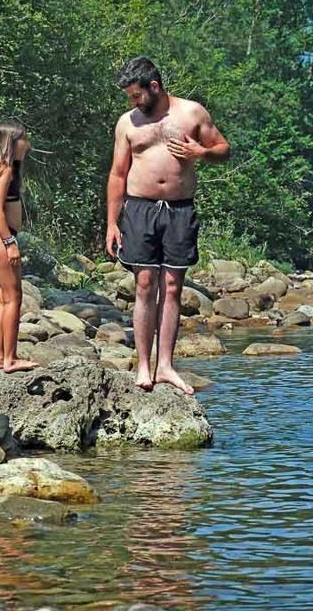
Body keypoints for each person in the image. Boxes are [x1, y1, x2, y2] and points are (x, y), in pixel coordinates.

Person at [105, 57, 230, 394]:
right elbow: (117, 174)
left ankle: (167, 366)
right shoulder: (127, 123)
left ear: (154, 87)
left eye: (136, 96)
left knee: (173, 287)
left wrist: (200, 152)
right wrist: (111, 224)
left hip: (178, 209)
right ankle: (143, 366)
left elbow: (224, 149)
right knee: (145, 284)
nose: (133, 102)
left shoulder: (191, 113)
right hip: (139, 208)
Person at [0, 119, 38, 374]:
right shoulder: (6, 171)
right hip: (0, 237)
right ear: (12, 143)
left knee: (2, 300)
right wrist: (10, 242)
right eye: (23, 139)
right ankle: (10, 359)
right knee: (14, 299)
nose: (28, 143)